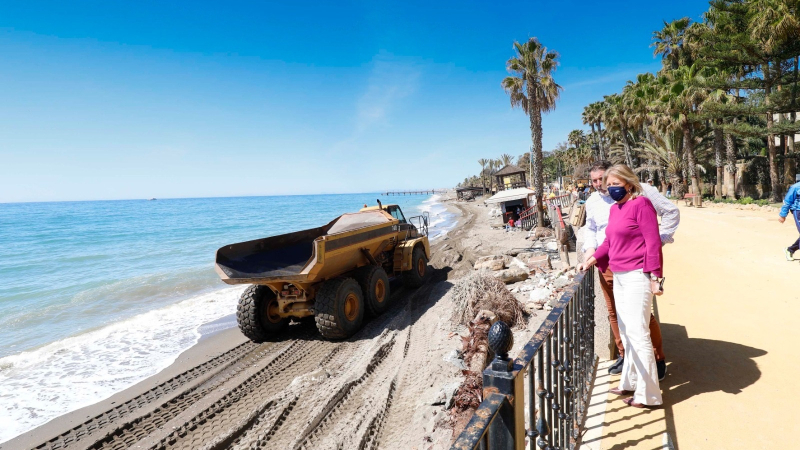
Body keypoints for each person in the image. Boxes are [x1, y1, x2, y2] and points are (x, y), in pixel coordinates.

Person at [582, 160, 679, 381]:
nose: (599, 185)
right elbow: (592, 230)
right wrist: (590, 253)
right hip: (606, 264)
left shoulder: (642, 195)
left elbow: (671, 213)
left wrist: (657, 240)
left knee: (642, 317)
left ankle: (656, 359)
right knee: (615, 314)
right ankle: (626, 357)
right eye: (595, 181)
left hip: (634, 266)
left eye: (603, 180)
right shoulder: (594, 202)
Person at [779, 174, 800, 260]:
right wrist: (783, 215)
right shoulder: (795, 187)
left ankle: (790, 250)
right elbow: (787, 202)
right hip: (798, 211)